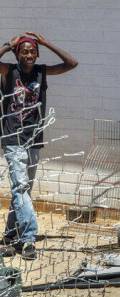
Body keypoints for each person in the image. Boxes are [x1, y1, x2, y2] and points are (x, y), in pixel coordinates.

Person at [0, 33, 78, 260]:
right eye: (24, 51)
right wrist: (7, 45)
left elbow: (71, 64)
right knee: (21, 188)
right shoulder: (8, 71)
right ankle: (28, 239)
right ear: (17, 54)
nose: (29, 55)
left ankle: (9, 236)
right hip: (13, 138)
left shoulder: (41, 72)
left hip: (34, 139)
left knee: (23, 190)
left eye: (32, 51)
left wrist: (45, 43)